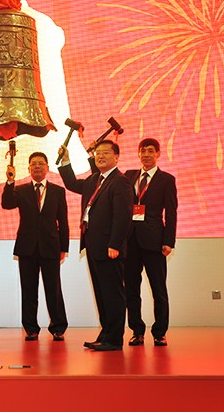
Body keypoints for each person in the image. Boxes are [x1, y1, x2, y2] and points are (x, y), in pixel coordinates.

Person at [58, 140, 132, 351]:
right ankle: (106, 333)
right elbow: (72, 184)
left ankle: (114, 339)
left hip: (109, 247)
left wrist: (115, 243)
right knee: (101, 293)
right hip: (93, 244)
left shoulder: (120, 182)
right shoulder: (95, 180)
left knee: (112, 293)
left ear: (116, 157)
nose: (100, 156)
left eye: (106, 153)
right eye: (98, 153)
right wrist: (66, 161)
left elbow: (122, 216)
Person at [1, 152, 69, 341]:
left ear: (47, 167)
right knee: (28, 289)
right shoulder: (21, 190)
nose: (37, 166)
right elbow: (6, 204)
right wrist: (10, 181)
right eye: (33, 164)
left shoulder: (58, 191)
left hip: (51, 246)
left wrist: (63, 247)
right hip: (27, 247)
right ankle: (31, 329)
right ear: (29, 168)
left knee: (53, 289)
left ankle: (58, 327)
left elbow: (63, 221)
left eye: (40, 163)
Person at [124, 138, 177, 347]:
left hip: (154, 241)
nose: (146, 154)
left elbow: (171, 213)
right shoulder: (128, 176)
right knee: (131, 290)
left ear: (158, 154)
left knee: (159, 290)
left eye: (150, 151)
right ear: (138, 154)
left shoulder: (166, 180)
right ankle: (137, 331)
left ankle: (159, 332)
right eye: (143, 151)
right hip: (130, 241)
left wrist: (168, 241)